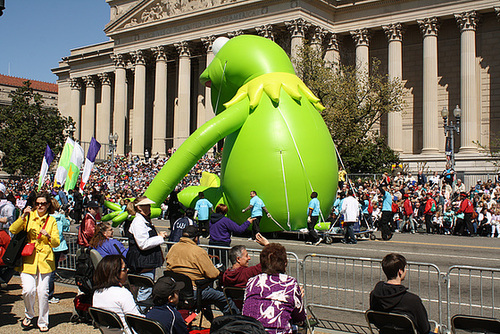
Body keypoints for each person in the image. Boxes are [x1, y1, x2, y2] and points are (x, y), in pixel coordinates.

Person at [9, 192, 60, 332]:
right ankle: (29, 314)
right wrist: (22, 216)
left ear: (48, 205)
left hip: (45, 259)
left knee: (43, 292)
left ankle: (43, 320)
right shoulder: (29, 216)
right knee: (28, 290)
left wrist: (48, 236)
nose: (40, 206)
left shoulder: (52, 220)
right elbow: (13, 229)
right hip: (28, 258)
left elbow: (56, 242)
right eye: (37, 203)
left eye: (43, 203)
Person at [165, 225, 238, 321]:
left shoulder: (173, 248)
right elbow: (213, 274)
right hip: (194, 291)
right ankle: (235, 320)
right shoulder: (198, 251)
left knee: (207, 299)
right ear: (196, 238)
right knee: (223, 298)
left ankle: (210, 319)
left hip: (176, 291)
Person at [243, 243, 306, 334]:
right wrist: (298, 298)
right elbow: (300, 318)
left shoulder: (252, 282)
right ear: (284, 263)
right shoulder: (290, 284)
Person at [370, 253, 431, 334]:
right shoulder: (412, 300)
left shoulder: (374, 295)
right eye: (405, 268)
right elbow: (425, 328)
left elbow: (374, 320)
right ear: (400, 271)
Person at [126, 196, 167, 304]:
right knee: (145, 291)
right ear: (139, 208)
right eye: (147, 205)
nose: (149, 207)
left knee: (145, 290)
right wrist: (160, 238)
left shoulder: (143, 221)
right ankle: (140, 315)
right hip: (143, 262)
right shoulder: (138, 222)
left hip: (146, 262)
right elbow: (143, 244)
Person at [92, 255, 142, 334]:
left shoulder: (97, 293)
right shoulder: (123, 293)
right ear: (115, 273)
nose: (127, 271)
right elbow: (137, 320)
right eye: (124, 269)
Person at [48, 198, 71, 304]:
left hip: (48, 245)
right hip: (57, 246)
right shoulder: (60, 217)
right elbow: (67, 227)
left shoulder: (45, 217)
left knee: (47, 270)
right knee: (52, 270)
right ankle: (49, 294)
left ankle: (46, 292)